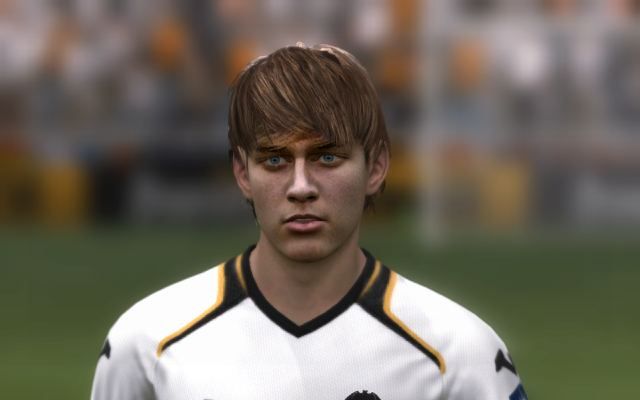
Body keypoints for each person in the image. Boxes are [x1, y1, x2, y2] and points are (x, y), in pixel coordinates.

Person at [91, 43, 527, 400]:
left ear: (376, 167)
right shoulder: (146, 342)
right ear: (242, 173)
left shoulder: (460, 352)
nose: (301, 187)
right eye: (275, 160)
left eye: (327, 158)